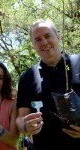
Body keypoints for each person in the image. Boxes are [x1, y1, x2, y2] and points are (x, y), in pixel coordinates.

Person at [16, 19, 80, 150]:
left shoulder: (78, 62)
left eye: (47, 36)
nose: (44, 42)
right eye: (38, 39)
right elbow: (20, 118)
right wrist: (25, 126)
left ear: (58, 36)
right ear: (33, 45)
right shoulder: (27, 77)